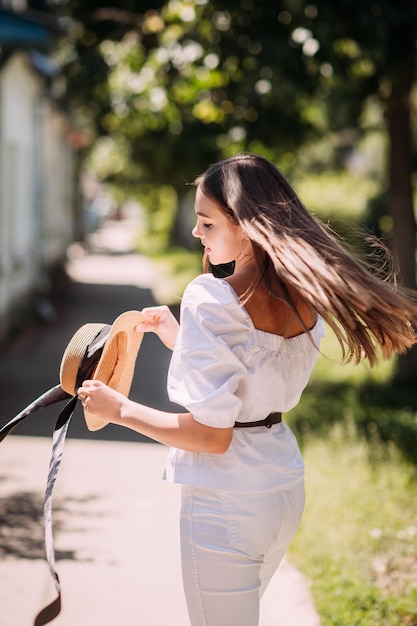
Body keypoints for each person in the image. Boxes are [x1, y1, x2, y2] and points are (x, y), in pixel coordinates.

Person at [77, 154, 417, 626]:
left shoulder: (210, 296)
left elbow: (213, 435)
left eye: (207, 223)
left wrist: (119, 409)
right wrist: (183, 338)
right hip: (280, 486)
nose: (198, 234)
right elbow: (256, 371)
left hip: (226, 499)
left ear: (245, 226)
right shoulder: (307, 293)